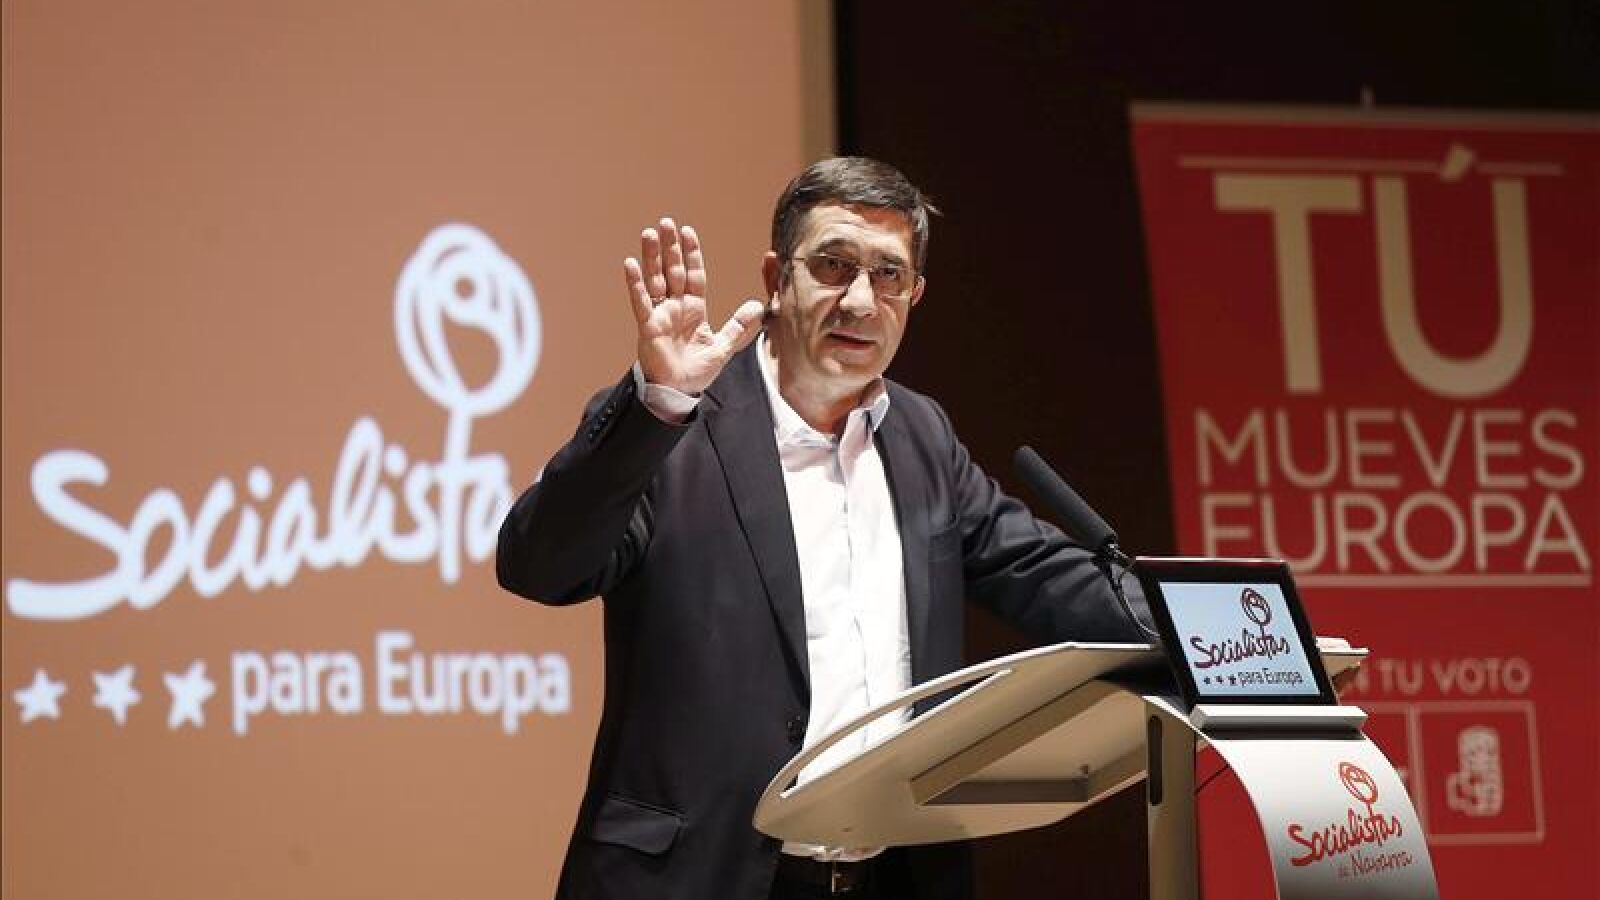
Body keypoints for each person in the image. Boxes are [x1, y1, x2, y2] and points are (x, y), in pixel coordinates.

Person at [497, 157, 1149, 900]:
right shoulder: (676, 427)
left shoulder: (921, 436)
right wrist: (658, 405)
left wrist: (1210, 632)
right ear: (777, 277)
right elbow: (538, 566)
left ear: (915, 294)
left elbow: (1043, 573)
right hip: (699, 877)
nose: (861, 300)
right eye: (833, 266)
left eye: (889, 274)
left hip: (886, 878)